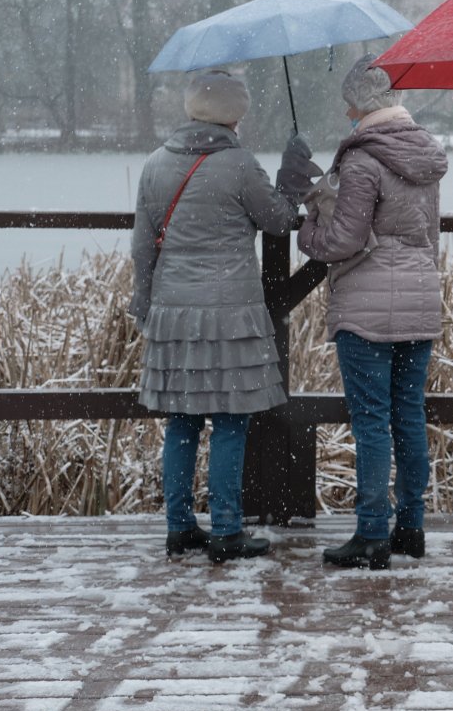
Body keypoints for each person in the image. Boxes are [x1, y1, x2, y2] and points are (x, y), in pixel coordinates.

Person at [132, 69, 321, 564]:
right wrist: (291, 178)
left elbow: (141, 245)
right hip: (230, 312)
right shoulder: (238, 164)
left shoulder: (155, 163)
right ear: (235, 115)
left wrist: (143, 304)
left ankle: (179, 528)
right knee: (231, 424)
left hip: (174, 312)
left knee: (181, 423)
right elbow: (279, 219)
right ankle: (226, 531)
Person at [298, 54, 447, 570]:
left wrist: (310, 223)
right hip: (421, 297)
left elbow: (344, 240)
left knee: (372, 422)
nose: (346, 115)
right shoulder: (424, 154)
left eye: (348, 104)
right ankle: (411, 527)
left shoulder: (362, 159)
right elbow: (426, 235)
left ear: (362, 105)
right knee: (408, 416)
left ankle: (370, 535)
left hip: (366, 308)